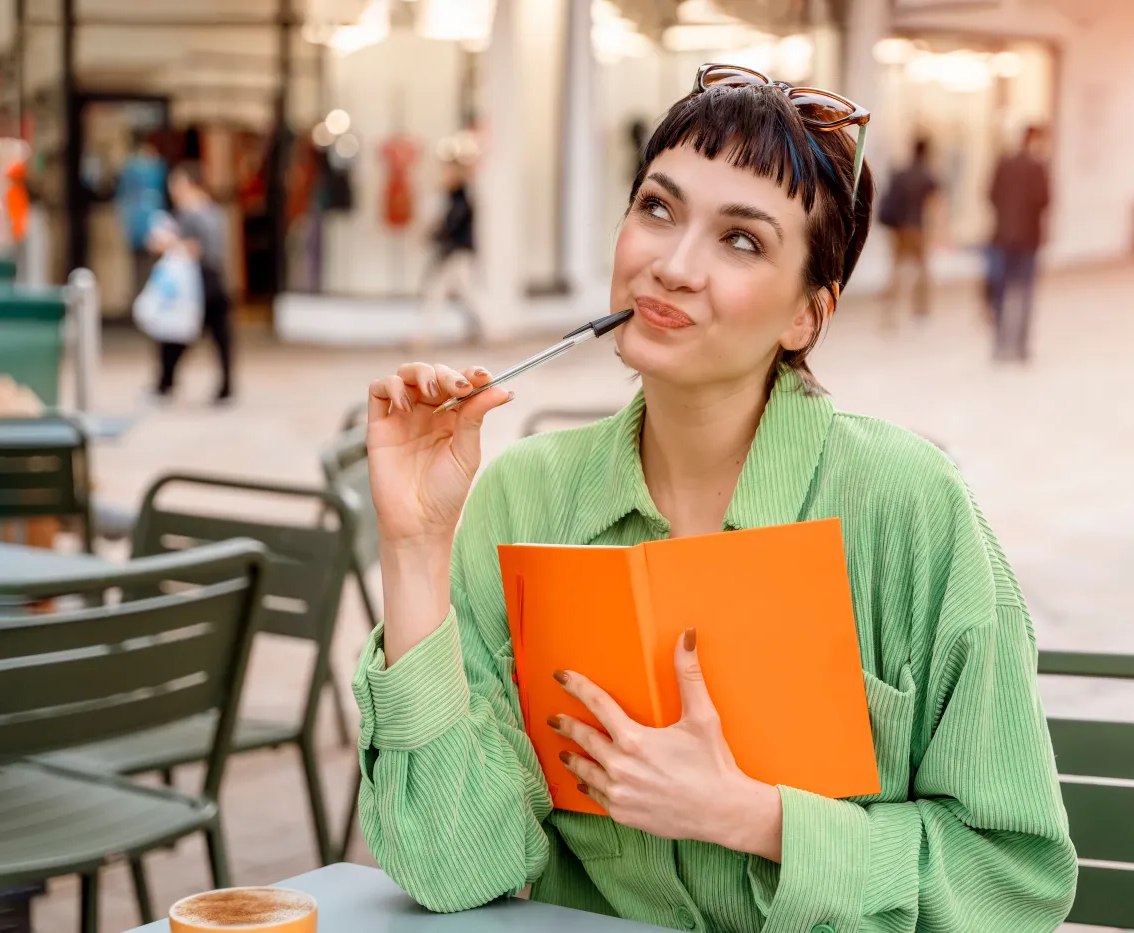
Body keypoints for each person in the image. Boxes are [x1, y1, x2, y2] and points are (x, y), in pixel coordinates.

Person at [355, 66, 1077, 931]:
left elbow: (1016, 883)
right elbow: (448, 861)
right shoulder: (525, 498)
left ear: (807, 316)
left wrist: (755, 817)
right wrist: (414, 547)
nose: (672, 265)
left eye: (742, 240)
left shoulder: (909, 506)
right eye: (657, 209)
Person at [154, 161, 233, 404]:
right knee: (218, 336)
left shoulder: (192, 212)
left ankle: (165, 383)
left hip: (198, 281)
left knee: (176, 332)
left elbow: (194, 248)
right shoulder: (213, 210)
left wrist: (167, 243)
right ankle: (225, 386)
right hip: (213, 277)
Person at [987, 125, 1051, 362]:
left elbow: (990, 195)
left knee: (1002, 291)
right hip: (1028, 237)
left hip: (1003, 236)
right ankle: (1021, 345)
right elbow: (1045, 200)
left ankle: (1000, 344)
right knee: (1025, 291)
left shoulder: (1004, 164)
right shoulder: (1038, 167)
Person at [876, 137, 942, 326]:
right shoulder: (926, 175)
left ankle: (888, 309)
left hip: (898, 230)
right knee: (922, 273)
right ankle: (921, 314)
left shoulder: (901, 172)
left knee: (895, 271)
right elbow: (936, 204)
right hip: (917, 230)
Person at [416, 157, 478, 348]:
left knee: (437, 292)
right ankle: (494, 330)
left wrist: (435, 233)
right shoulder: (452, 196)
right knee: (467, 292)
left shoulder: (460, 198)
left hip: (456, 253)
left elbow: (451, 226)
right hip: (454, 252)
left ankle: (424, 335)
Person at [115, 131, 167, 298]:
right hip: (144, 221)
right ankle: (145, 296)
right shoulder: (153, 167)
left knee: (144, 264)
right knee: (145, 263)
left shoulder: (138, 167)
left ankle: (145, 295)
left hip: (140, 220)